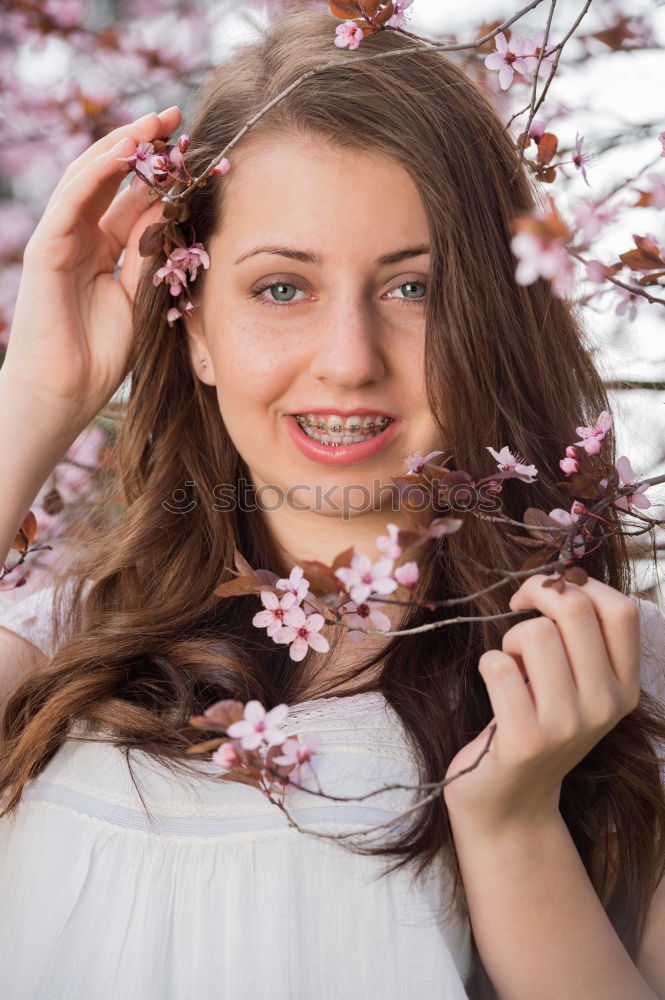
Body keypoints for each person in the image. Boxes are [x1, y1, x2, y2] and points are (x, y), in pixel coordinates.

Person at [0, 7, 664, 999]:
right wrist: (36, 398)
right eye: (280, 289)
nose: (349, 360)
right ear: (192, 329)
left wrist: (513, 824)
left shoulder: (609, 687)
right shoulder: (58, 650)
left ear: (491, 313)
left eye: (412, 289)